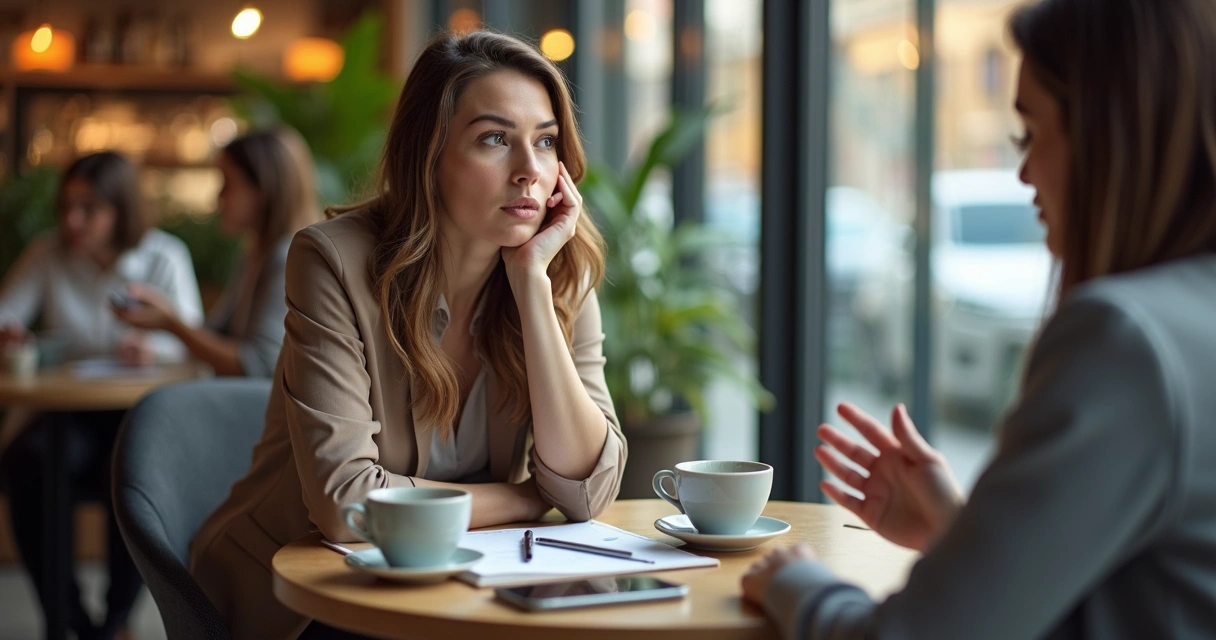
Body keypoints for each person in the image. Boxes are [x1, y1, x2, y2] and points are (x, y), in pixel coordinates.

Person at [742, 0, 1216, 638]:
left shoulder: (1128, 341)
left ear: (1112, 134)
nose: (1023, 171)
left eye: (1031, 133)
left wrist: (795, 583)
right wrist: (961, 530)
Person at [189, 31, 627, 640]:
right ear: (430, 155)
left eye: (546, 141)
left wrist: (531, 287)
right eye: (495, 139)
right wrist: (525, 499)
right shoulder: (332, 262)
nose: (530, 171)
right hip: (310, 596)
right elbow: (348, 505)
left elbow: (588, 489)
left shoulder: (558, 272)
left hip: (462, 587)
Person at [0, 151, 203, 640]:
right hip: (66, 416)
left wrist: (151, 345)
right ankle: (71, 621)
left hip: (141, 413)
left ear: (121, 208)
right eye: (68, 206)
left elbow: (193, 339)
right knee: (24, 466)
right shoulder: (48, 254)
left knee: (134, 474)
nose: (73, 220)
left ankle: (116, 621)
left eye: (89, 208)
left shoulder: (163, 257)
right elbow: (6, 313)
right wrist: (11, 335)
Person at [114, 129, 321, 376]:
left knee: (161, 403)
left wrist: (171, 323)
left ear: (262, 191)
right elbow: (216, 334)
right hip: (253, 398)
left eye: (227, 183)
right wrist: (160, 336)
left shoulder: (288, 257)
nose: (217, 197)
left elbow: (257, 366)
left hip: (274, 407)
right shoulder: (254, 254)